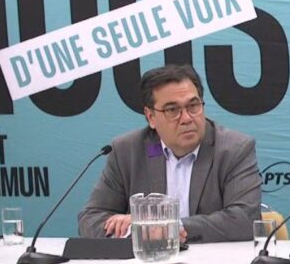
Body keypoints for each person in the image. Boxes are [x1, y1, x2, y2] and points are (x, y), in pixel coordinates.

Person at [78, 64, 261, 242]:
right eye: (172, 110)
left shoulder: (234, 149)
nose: (187, 118)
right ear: (151, 117)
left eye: (193, 105)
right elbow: (90, 219)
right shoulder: (127, 151)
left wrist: (170, 227)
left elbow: (244, 219)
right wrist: (137, 232)